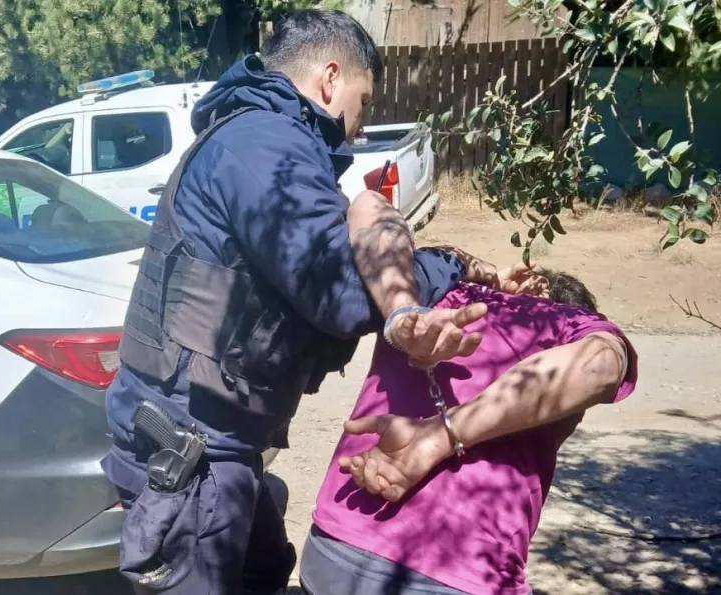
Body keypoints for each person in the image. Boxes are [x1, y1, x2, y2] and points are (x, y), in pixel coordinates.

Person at [97, 9, 527, 595]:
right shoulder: (265, 145)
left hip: (212, 441)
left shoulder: (260, 137)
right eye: (364, 100)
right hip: (192, 453)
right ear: (330, 79)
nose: (358, 124)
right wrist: (446, 265)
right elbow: (342, 294)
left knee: (267, 572)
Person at [300, 259, 640, 595]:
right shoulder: (573, 324)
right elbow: (602, 367)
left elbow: (410, 249)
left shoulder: (438, 291)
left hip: (332, 549)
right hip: (458, 577)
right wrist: (440, 436)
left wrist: (481, 271)